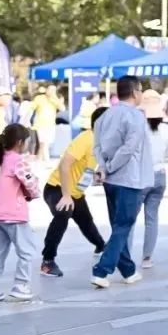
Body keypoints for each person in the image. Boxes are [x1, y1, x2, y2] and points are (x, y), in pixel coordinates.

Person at [92, 75, 154, 288]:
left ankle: (128, 270)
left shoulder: (104, 116)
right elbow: (129, 148)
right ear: (135, 92)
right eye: (141, 90)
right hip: (129, 178)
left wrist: (103, 167)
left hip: (110, 180)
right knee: (124, 225)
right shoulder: (136, 116)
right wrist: (110, 167)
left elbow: (97, 146)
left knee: (119, 227)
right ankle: (101, 270)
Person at [40, 107, 108, 278]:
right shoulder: (86, 138)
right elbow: (65, 164)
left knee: (86, 221)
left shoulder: (101, 142)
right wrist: (66, 195)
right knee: (64, 212)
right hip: (56, 188)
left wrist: (96, 175)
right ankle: (47, 261)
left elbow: (87, 166)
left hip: (76, 193)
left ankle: (101, 246)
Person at [0, 123, 39, 304]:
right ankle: (21, 287)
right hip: (14, 214)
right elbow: (31, 184)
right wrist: (33, 194)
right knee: (27, 251)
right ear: (20, 142)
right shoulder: (18, 161)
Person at [138, 90, 168, 268]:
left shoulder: (138, 128)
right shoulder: (165, 129)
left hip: (140, 176)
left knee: (129, 218)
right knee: (152, 218)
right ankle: (147, 258)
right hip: (160, 176)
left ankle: (125, 257)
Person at [31, 86, 64, 162]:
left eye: (53, 90)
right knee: (43, 143)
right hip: (40, 124)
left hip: (51, 124)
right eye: (50, 89)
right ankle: (46, 160)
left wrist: (55, 98)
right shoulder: (39, 98)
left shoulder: (55, 99)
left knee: (46, 144)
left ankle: (40, 159)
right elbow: (32, 107)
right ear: (47, 90)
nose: (51, 91)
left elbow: (62, 108)